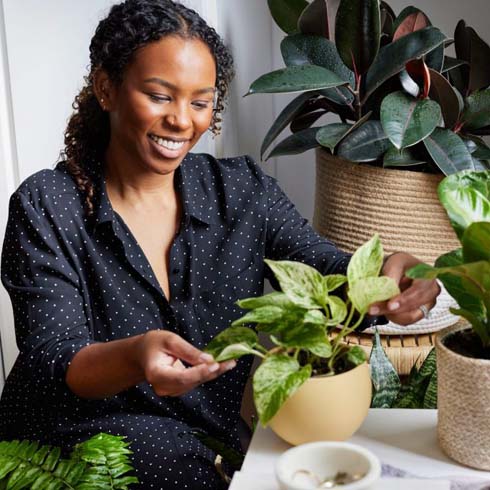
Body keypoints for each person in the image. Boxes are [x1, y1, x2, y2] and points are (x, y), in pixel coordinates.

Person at [0, 0, 440, 488]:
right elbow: (54, 357)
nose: (182, 121)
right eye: (159, 95)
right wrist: (136, 355)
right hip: (70, 448)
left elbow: (319, 266)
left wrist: (384, 279)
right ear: (107, 89)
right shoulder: (47, 205)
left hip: (203, 445)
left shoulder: (243, 190)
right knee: (165, 454)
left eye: (200, 101)